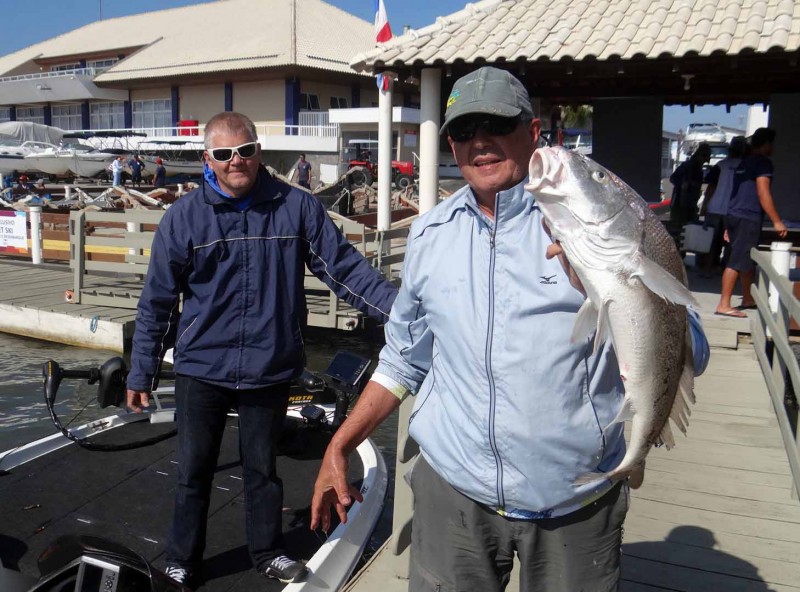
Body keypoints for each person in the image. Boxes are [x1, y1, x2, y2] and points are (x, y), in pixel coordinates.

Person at [311, 67, 709, 592]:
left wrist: (606, 294)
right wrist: (341, 443)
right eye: (463, 130)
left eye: (497, 125)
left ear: (533, 132)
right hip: (452, 491)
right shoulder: (429, 234)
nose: (479, 142)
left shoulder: (596, 223)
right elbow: (403, 358)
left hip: (575, 498)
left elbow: (692, 347)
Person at [125, 112, 397, 588]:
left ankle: (268, 551)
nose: (237, 161)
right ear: (207, 159)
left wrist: (401, 311)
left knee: (262, 471)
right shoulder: (183, 217)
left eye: (246, 151)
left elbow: (345, 270)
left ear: (259, 152)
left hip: (269, 366)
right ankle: (181, 558)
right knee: (193, 471)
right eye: (225, 154)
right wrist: (141, 369)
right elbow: (158, 302)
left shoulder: (297, 207)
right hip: (201, 367)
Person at [715, 127, 787, 317]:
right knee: (736, 260)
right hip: (747, 217)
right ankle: (724, 304)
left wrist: (729, 224)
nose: (773, 148)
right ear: (766, 144)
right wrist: (777, 221)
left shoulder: (744, 162)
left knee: (746, 257)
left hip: (734, 214)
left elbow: (734, 192)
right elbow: (763, 193)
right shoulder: (763, 163)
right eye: (771, 144)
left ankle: (748, 298)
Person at [699, 136, 748, 277]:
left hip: (715, 208)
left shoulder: (721, 165)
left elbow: (711, 188)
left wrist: (704, 206)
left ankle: (707, 269)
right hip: (735, 210)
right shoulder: (746, 167)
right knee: (732, 244)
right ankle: (727, 271)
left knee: (710, 242)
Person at [669, 142, 711, 231]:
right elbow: (673, 178)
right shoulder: (687, 165)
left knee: (689, 228)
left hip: (691, 204)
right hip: (680, 203)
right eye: (704, 156)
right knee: (679, 228)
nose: (706, 159)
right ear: (699, 155)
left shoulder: (699, 169)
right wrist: (683, 184)